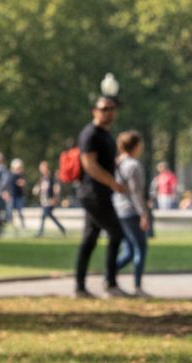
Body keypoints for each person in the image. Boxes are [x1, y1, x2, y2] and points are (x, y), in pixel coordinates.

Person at [73, 94, 129, 299]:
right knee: (117, 233)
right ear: (94, 111)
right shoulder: (90, 134)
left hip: (101, 192)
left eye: (112, 108)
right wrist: (113, 183)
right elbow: (89, 165)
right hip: (93, 193)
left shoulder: (106, 135)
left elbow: (107, 161)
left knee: (90, 239)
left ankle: (80, 286)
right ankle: (110, 282)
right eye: (104, 109)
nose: (109, 112)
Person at [112, 130, 152, 296]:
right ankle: (137, 286)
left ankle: (109, 275)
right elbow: (136, 192)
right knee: (140, 249)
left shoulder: (117, 163)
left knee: (128, 250)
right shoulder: (133, 165)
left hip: (118, 209)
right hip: (131, 211)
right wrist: (144, 213)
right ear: (136, 146)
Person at [34, 160, 66, 237]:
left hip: (50, 200)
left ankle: (40, 233)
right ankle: (62, 228)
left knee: (44, 216)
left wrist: (55, 198)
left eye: (42, 168)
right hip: (44, 200)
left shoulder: (51, 177)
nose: (41, 169)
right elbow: (40, 188)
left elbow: (56, 188)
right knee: (49, 215)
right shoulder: (42, 178)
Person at [9, 158, 28, 230]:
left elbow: (22, 183)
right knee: (10, 211)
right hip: (13, 196)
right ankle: (11, 223)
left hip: (18, 196)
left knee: (20, 212)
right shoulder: (12, 175)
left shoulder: (19, 175)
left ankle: (22, 224)